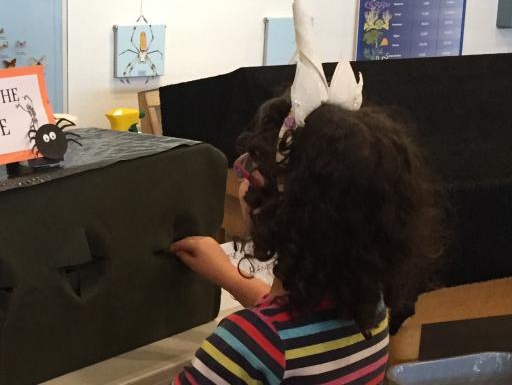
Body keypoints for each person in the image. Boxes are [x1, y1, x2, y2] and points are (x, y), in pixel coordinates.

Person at [171, 95, 444, 384]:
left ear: (269, 205)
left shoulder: (249, 346)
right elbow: (298, 325)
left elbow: (269, 340)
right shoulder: (372, 310)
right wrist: (229, 276)